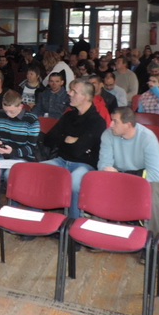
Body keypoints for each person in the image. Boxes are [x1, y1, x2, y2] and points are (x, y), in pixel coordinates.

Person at [41, 79, 107, 218]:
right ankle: (33, 221)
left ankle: (73, 225)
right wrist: (69, 139)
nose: (69, 93)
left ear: (86, 97)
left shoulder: (97, 122)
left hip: (84, 165)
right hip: (61, 160)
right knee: (36, 172)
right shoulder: (69, 116)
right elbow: (49, 139)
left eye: (73, 91)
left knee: (75, 182)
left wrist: (66, 140)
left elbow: (77, 150)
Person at [98, 107, 159, 233]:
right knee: (100, 183)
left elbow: (155, 175)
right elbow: (103, 165)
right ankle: (99, 234)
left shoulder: (147, 138)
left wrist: (122, 175)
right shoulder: (108, 134)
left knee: (154, 190)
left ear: (128, 125)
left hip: (143, 177)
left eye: (115, 121)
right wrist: (115, 175)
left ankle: (152, 239)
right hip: (117, 175)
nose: (111, 124)